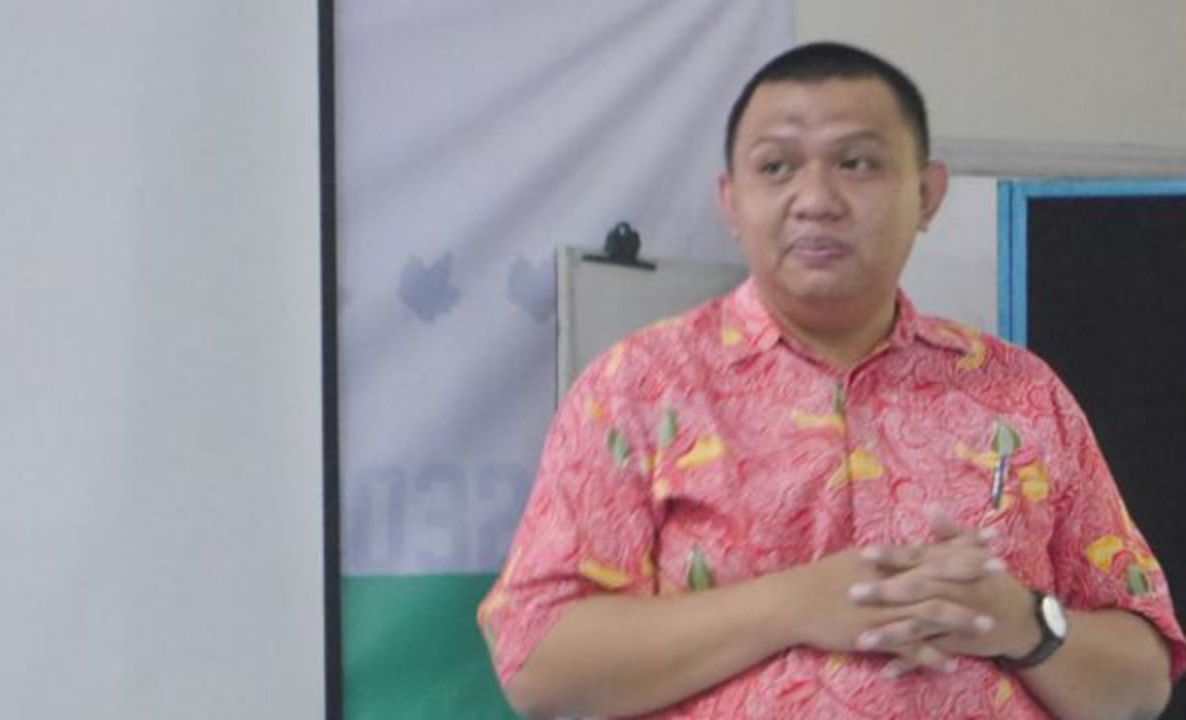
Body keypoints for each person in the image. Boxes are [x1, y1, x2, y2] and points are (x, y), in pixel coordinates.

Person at [478, 42, 1185, 719]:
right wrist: (794, 605)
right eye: (777, 167)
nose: (815, 198)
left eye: (856, 162)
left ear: (927, 194)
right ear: (731, 201)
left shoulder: (1018, 392)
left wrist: (1021, 620)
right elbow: (536, 660)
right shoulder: (639, 387)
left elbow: (1143, 683)